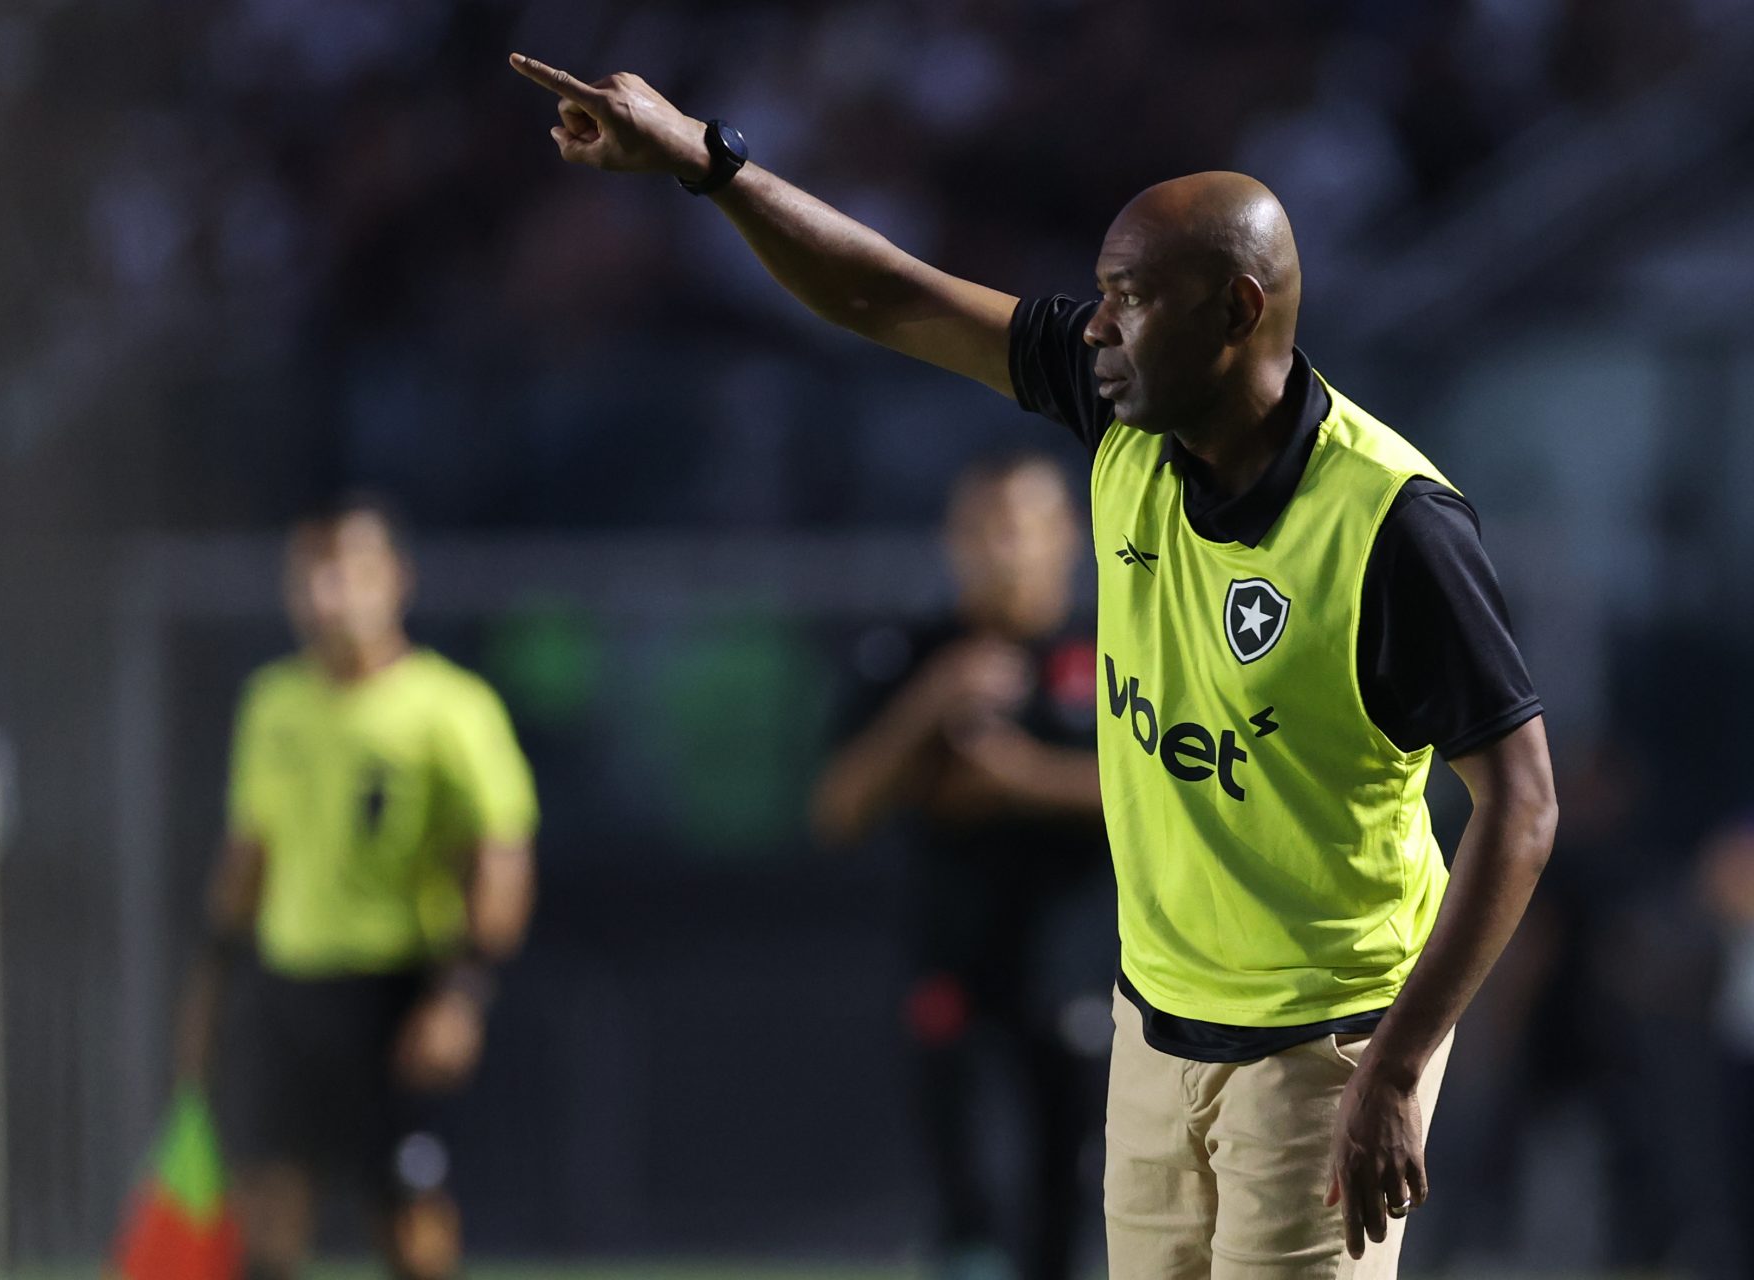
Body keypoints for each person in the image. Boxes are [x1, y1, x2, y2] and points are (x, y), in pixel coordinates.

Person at [508, 54, 1558, 1279]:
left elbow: (1521, 806)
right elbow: (887, 297)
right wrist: (707, 162)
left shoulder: (1393, 524)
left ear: (1236, 311)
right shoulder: (1119, 412)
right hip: (1155, 1028)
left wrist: (1398, 1060)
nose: (1097, 325)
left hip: (1324, 1045)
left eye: (1128, 298)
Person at [174, 494, 539, 1280]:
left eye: (346, 572)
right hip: (288, 986)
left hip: (393, 990)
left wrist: (462, 996)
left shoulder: (450, 708)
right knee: (267, 1204)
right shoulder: (273, 703)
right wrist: (211, 980)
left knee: (405, 1207)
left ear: (394, 580)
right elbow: (250, 854)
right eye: (309, 575)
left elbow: (502, 858)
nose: (326, 595)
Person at [812, 453, 1113, 1280]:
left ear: (1065, 538)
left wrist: (1019, 782)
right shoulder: (913, 655)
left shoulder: (1117, 648)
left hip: (1084, 975)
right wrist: (928, 705)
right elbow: (838, 809)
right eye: (979, 528)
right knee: (966, 1212)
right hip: (955, 972)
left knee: (1072, 1211)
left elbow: (1170, 799)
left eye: (1016, 527)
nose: (998, 550)